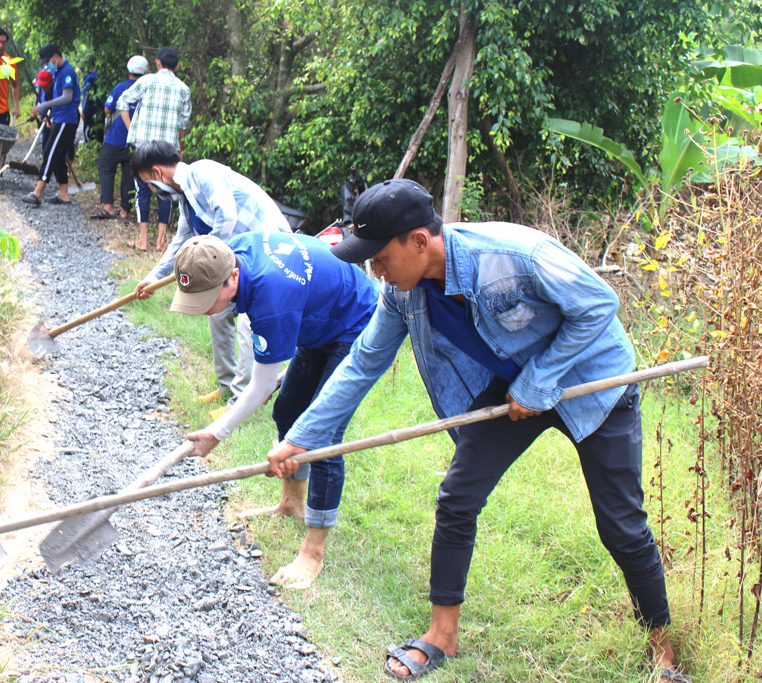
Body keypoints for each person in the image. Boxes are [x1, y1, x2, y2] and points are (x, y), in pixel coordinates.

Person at [265, 179, 690, 682]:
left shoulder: (515, 255)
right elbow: (362, 364)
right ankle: (442, 634)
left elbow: (598, 305)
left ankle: (664, 652)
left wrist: (539, 381)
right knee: (457, 496)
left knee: (620, 522)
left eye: (379, 258)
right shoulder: (401, 294)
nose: (374, 270)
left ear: (419, 242)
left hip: (594, 382)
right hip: (513, 383)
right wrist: (303, 437)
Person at [170, 232, 379, 589]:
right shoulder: (226, 253)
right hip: (317, 322)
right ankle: (291, 504)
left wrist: (215, 433)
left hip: (354, 322)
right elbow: (268, 385)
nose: (203, 309)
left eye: (207, 299)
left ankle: (312, 553)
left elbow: (260, 386)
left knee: (321, 435)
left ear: (233, 278)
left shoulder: (272, 296)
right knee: (288, 411)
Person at [130, 140, 290, 407]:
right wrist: (153, 279)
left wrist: (205, 260)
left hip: (269, 251)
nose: (151, 188)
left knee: (249, 323)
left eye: (147, 182)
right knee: (218, 311)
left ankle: (240, 401)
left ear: (157, 173)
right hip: (236, 257)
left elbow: (226, 218)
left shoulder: (203, 172)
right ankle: (226, 386)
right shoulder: (185, 197)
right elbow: (181, 241)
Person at [116, 46, 191, 252]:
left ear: (157, 62)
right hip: (168, 150)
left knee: (142, 191)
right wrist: (181, 150)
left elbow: (122, 100)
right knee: (165, 190)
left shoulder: (146, 81)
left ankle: (143, 241)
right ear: (177, 65)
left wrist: (132, 128)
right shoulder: (183, 89)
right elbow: (183, 124)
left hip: (144, 146)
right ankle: (160, 242)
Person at [21, 45, 80, 207]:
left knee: (50, 153)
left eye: (48, 61)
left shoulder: (67, 71)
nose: (48, 65)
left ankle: (37, 193)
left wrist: (43, 106)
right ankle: (64, 194)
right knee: (59, 156)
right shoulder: (58, 72)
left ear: (55, 56)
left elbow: (67, 97)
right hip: (58, 118)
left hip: (66, 119)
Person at [89, 55, 147, 220]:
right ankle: (125, 211)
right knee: (130, 172)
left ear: (129, 71)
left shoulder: (121, 87)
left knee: (106, 165)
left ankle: (108, 207)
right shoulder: (147, 89)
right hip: (137, 140)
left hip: (116, 138)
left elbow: (108, 109)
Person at [79, 56, 100, 143]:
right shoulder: (96, 75)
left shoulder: (89, 78)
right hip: (95, 109)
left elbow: (87, 95)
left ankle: (90, 148)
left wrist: (83, 111)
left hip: (89, 110)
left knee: (88, 132)